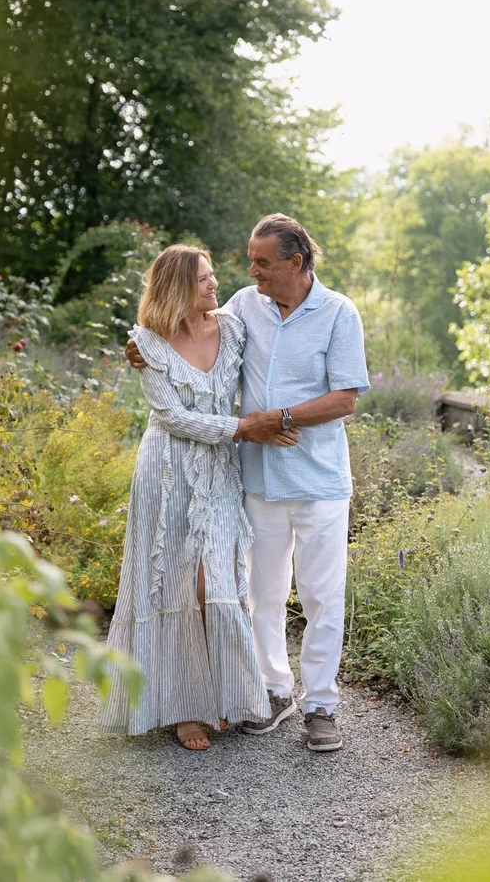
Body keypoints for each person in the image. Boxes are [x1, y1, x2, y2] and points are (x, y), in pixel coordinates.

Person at [127, 214, 369, 752]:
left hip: (319, 480)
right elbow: (186, 325)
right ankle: (274, 691)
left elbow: (346, 398)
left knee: (323, 596)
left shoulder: (337, 313)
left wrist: (276, 420)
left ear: (295, 262)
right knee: (260, 593)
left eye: (262, 261)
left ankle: (322, 705)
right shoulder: (242, 306)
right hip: (256, 478)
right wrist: (142, 347)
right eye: (250, 259)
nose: (250, 269)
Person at [97, 244, 298, 751]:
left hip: (219, 471)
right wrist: (244, 427)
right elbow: (171, 417)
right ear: (176, 289)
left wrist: (264, 423)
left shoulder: (233, 327)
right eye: (204, 280)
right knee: (171, 584)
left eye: (212, 277)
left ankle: (224, 694)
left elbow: (280, 357)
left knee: (215, 584)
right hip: (166, 471)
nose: (215, 285)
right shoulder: (146, 342)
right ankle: (183, 708)